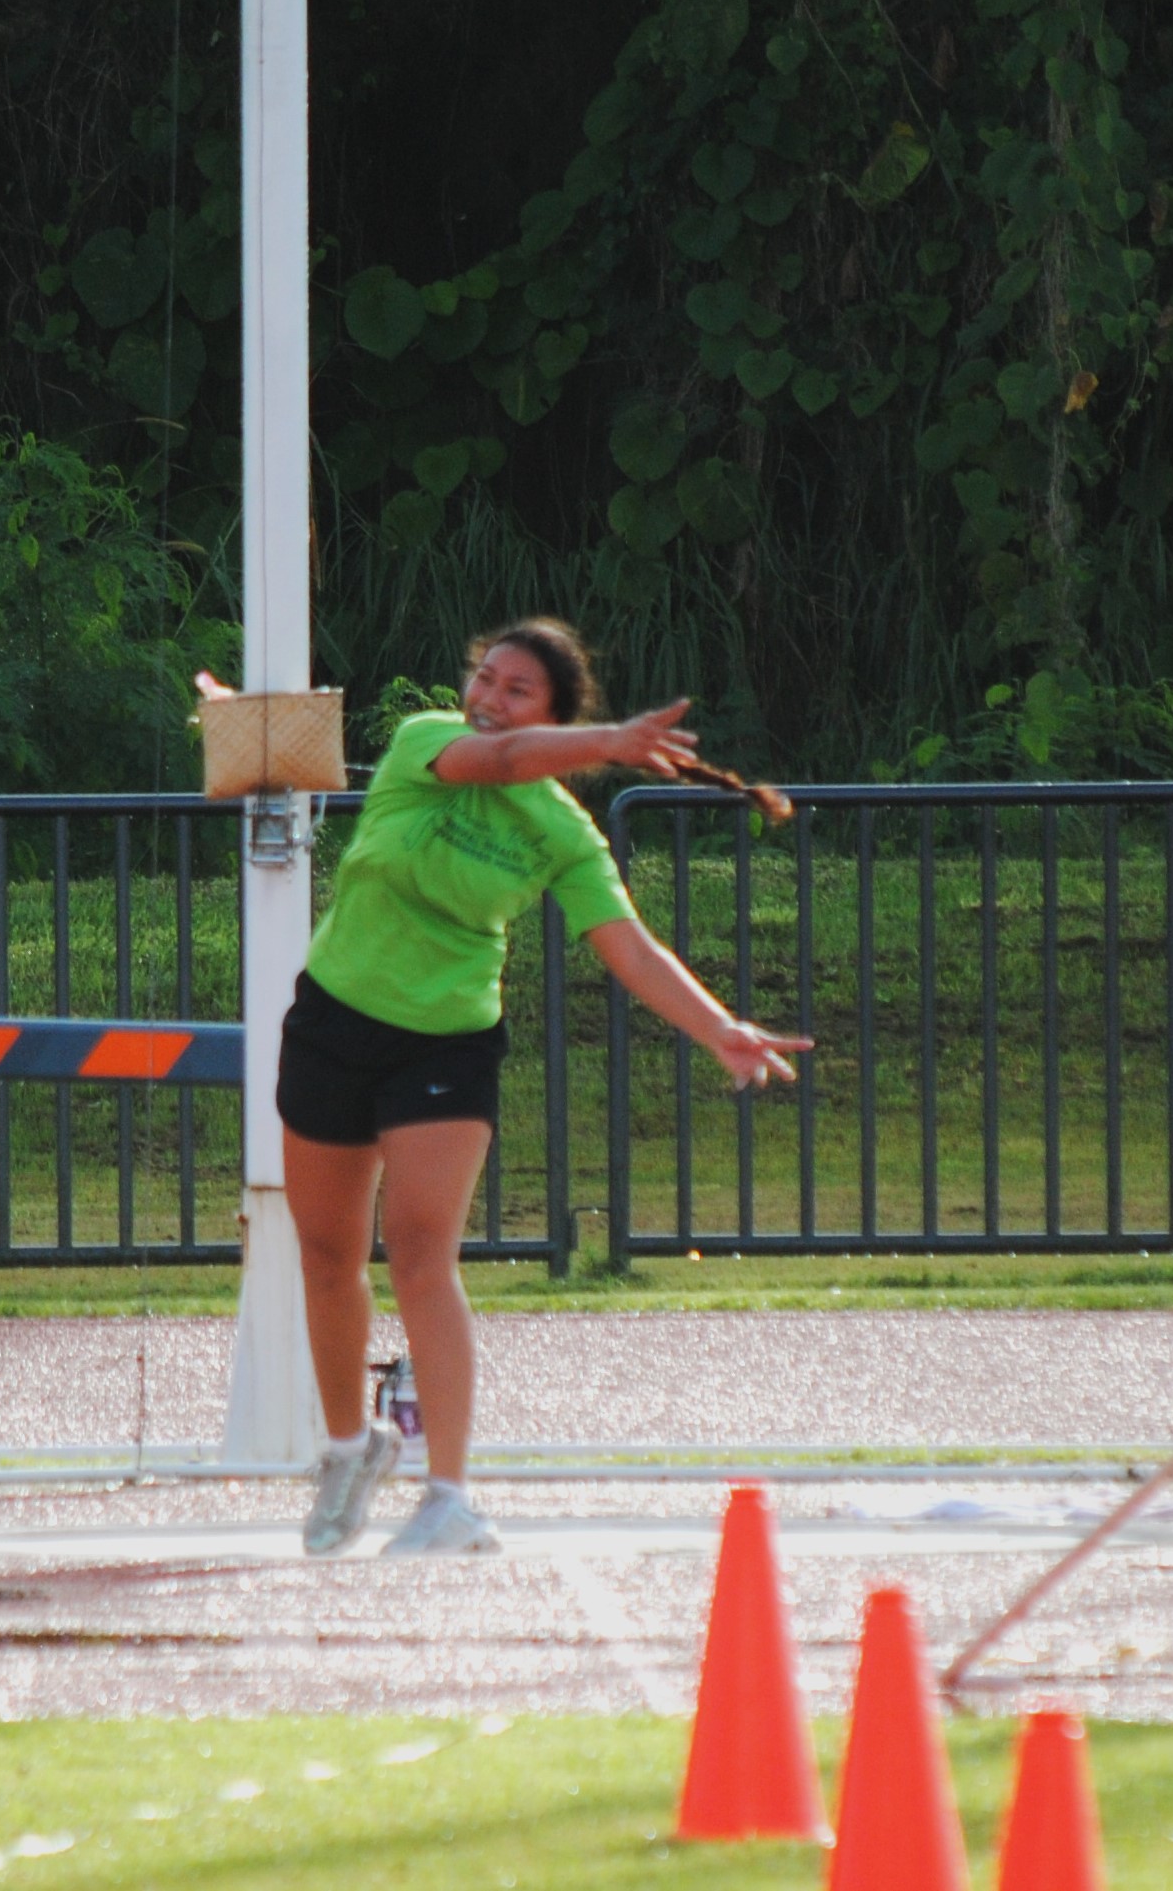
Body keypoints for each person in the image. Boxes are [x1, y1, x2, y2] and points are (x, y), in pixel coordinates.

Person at [263, 619, 810, 1557]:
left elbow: (629, 945)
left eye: (518, 689)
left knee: (421, 1251)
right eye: (486, 675)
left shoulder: (564, 831)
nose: (490, 696)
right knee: (324, 1250)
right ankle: (349, 1449)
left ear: (556, 711)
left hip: (445, 1043)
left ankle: (449, 1496)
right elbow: (505, 754)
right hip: (334, 1021)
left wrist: (718, 1026)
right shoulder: (425, 740)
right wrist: (607, 742)